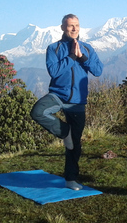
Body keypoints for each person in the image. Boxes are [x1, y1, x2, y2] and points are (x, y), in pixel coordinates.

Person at [30, 14, 103, 190]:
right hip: (58, 95)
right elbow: (54, 71)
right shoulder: (54, 48)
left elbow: (98, 71)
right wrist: (71, 56)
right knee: (38, 112)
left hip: (78, 101)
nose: (74, 29)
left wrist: (82, 57)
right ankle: (65, 132)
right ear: (63, 27)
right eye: (70, 26)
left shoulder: (87, 48)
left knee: (75, 145)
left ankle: (71, 179)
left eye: (76, 25)